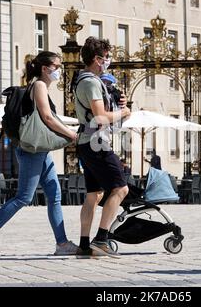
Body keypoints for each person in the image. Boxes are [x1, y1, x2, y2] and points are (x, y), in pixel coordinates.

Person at [0, 51, 78, 257]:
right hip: (32, 150)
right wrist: (71, 135)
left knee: (54, 195)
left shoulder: (41, 87)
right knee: (24, 197)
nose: (59, 70)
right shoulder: (39, 85)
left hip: (40, 150)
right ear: (44, 68)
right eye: (57, 66)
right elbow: (47, 118)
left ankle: (62, 243)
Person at [74, 37, 131, 258]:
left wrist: (119, 108)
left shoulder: (86, 80)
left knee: (94, 194)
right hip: (96, 142)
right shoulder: (90, 82)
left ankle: (84, 244)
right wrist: (124, 113)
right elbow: (100, 116)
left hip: (87, 142)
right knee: (121, 189)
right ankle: (101, 239)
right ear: (97, 59)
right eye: (106, 57)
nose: (108, 60)